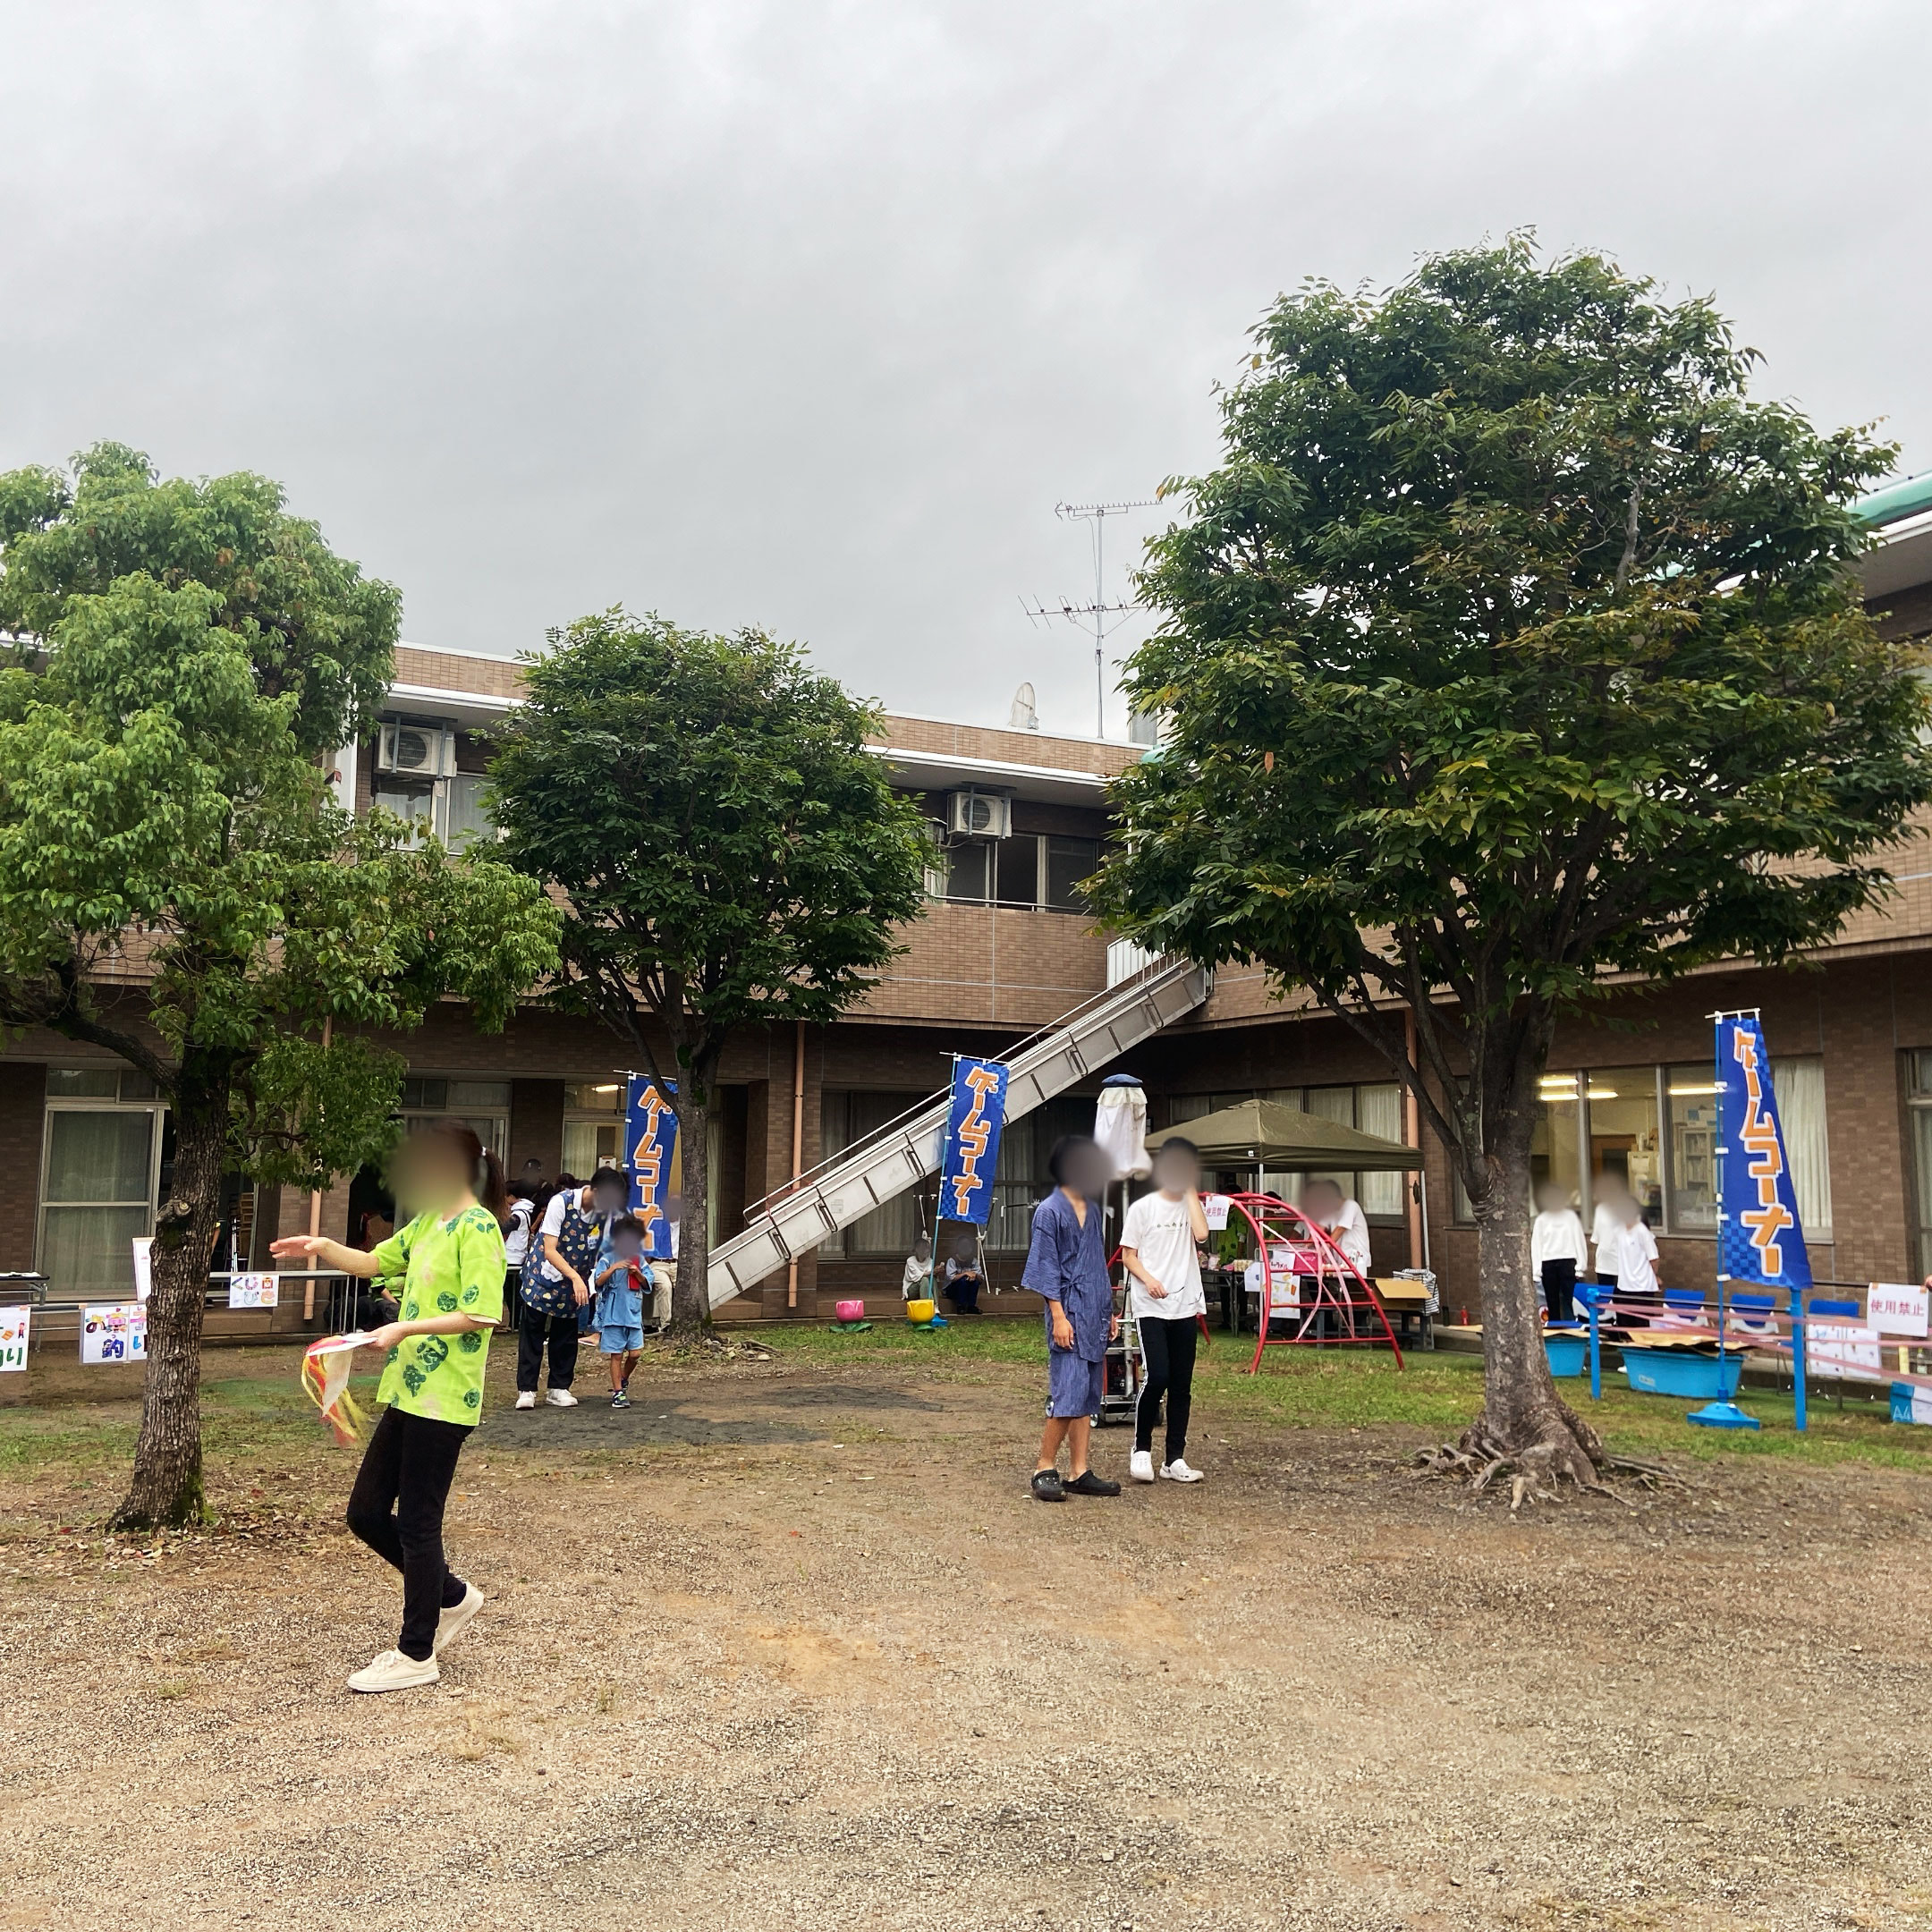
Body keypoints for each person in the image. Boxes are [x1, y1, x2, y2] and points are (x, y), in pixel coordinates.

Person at [270, 1118, 507, 1693]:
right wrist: (323, 1247)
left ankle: (416, 1651)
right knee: (367, 1513)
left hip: (446, 1397)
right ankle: (449, 1596)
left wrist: (405, 1329)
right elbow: (376, 1263)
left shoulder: (479, 1229)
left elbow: (481, 1315)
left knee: (420, 1523)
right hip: (407, 1390)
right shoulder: (428, 1222)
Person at [1021, 1135, 1121, 1503]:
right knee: (1069, 1390)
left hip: (1094, 1307)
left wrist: (1108, 1310)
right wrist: (1058, 1316)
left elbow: (1098, 1262)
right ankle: (1044, 1466)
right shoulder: (1049, 1211)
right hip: (1067, 1309)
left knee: (1088, 1392)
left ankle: (1079, 1469)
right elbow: (1045, 1267)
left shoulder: (1092, 1208)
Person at [1119, 1136, 1209, 1485]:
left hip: (1185, 1305)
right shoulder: (1142, 1208)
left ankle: (1175, 1458)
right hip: (1151, 1305)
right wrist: (1149, 1279)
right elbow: (1129, 1255)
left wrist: (1190, 1193)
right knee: (1158, 1376)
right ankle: (1141, 1449)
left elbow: (1201, 1234)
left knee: (1182, 1385)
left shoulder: (1191, 1205)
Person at [514, 1165, 628, 1411]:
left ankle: (559, 1388)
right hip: (543, 1275)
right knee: (532, 1331)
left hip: (575, 1279)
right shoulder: (561, 1203)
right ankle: (526, 1389)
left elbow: (604, 1250)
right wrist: (576, 1278)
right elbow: (550, 1249)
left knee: (565, 1334)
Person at [593, 1214, 648, 1406]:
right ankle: (618, 1392)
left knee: (636, 1354)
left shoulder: (639, 1260)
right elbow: (598, 1281)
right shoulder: (607, 1259)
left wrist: (638, 1274)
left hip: (633, 1314)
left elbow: (648, 1283)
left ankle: (623, 1378)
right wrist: (614, 1268)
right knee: (616, 1355)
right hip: (613, 1315)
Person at [1530, 1182, 1589, 1323]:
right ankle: (1555, 1329)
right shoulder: (1541, 1219)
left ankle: (1579, 1328)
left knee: (1572, 1299)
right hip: (1548, 1263)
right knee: (1551, 1300)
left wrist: (1581, 1267)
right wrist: (1536, 1271)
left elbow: (1579, 1241)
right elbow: (1536, 1245)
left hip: (1568, 1262)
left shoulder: (1570, 1217)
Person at [1301, 1177, 1371, 1275]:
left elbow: (1340, 1229)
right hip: (1340, 1259)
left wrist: (1324, 1248)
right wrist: (1304, 1247)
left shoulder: (1351, 1206)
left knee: (1355, 1288)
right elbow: (1319, 1229)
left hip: (1357, 1259)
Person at [501, 1181, 537, 1326]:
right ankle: (515, 1323)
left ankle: (515, 1323)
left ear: (510, 1196)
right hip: (517, 1254)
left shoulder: (518, 1215)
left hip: (513, 1256)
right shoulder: (524, 1212)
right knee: (513, 1294)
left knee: (512, 1295)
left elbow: (502, 1227)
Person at [1616, 1193, 1661, 1301]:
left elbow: (1654, 1259)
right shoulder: (1619, 1230)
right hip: (1624, 1286)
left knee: (1641, 1317)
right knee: (1625, 1317)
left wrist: (1654, 1276)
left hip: (1642, 1287)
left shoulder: (1642, 1231)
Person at [1590, 1185, 1624, 1290]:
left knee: (1621, 1297)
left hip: (1622, 1261)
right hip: (1603, 1261)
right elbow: (1596, 1237)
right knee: (1605, 1294)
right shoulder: (1600, 1209)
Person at [944, 1233, 984, 1315]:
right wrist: (966, 1274)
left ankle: (971, 1306)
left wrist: (975, 1275)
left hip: (967, 1288)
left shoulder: (974, 1261)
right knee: (962, 1281)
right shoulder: (952, 1260)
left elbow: (981, 1279)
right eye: (963, 1246)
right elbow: (952, 1278)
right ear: (958, 1248)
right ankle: (961, 1306)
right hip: (951, 1290)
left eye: (968, 1246)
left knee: (975, 1282)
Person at [902, 1233, 933, 1301]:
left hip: (925, 1288)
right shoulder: (910, 1260)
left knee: (933, 1280)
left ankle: (935, 1306)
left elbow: (929, 1274)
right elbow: (918, 1275)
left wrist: (935, 1273)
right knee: (925, 1279)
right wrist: (933, 1272)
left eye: (928, 1249)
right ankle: (927, 1304)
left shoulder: (930, 1261)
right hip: (912, 1289)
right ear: (918, 1250)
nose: (927, 1251)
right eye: (925, 1249)